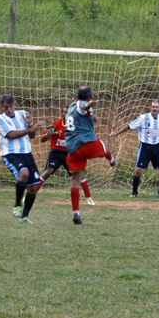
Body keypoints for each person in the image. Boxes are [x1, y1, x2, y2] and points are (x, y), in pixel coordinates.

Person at [110, 100, 159, 198]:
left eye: (156, 107)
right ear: (150, 108)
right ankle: (134, 193)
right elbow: (129, 126)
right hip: (145, 147)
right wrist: (116, 133)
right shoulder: (143, 118)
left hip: (157, 147)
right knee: (138, 171)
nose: (154, 109)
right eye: (153, 107)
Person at [65, 85, 115, 225]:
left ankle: (76, 213)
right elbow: (84, 108)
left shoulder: (71, 106)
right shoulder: (83, 104)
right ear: (88, 97)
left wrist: (91, 114)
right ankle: (111, 158)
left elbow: (83, 112)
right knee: (103, 146)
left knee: (76, 180)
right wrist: (89, 105)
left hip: (72, 149)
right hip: (84, 144)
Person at [0, 95, 43, 224]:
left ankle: (25, 217)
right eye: (6, 107)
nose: (9, 109)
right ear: (2, 107)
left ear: (15, 105)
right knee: (24, 173)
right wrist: (31, 128)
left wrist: (31, 123)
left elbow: (32, 136)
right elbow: (11, 135)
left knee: (33, 187)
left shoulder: (23, 114)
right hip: (11, 153)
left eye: (11, 106)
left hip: (27, 153)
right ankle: (17, 205)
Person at [36, 106, 95, 206]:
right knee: (48, 171)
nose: (67, 114)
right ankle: (32, 192)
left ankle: (89, 198)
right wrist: (48, 135)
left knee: (79, 175)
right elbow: (42, 139)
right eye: (65, 112)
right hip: (56, 152)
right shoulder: (56, 124)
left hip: (69, 154)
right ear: (61, 114)